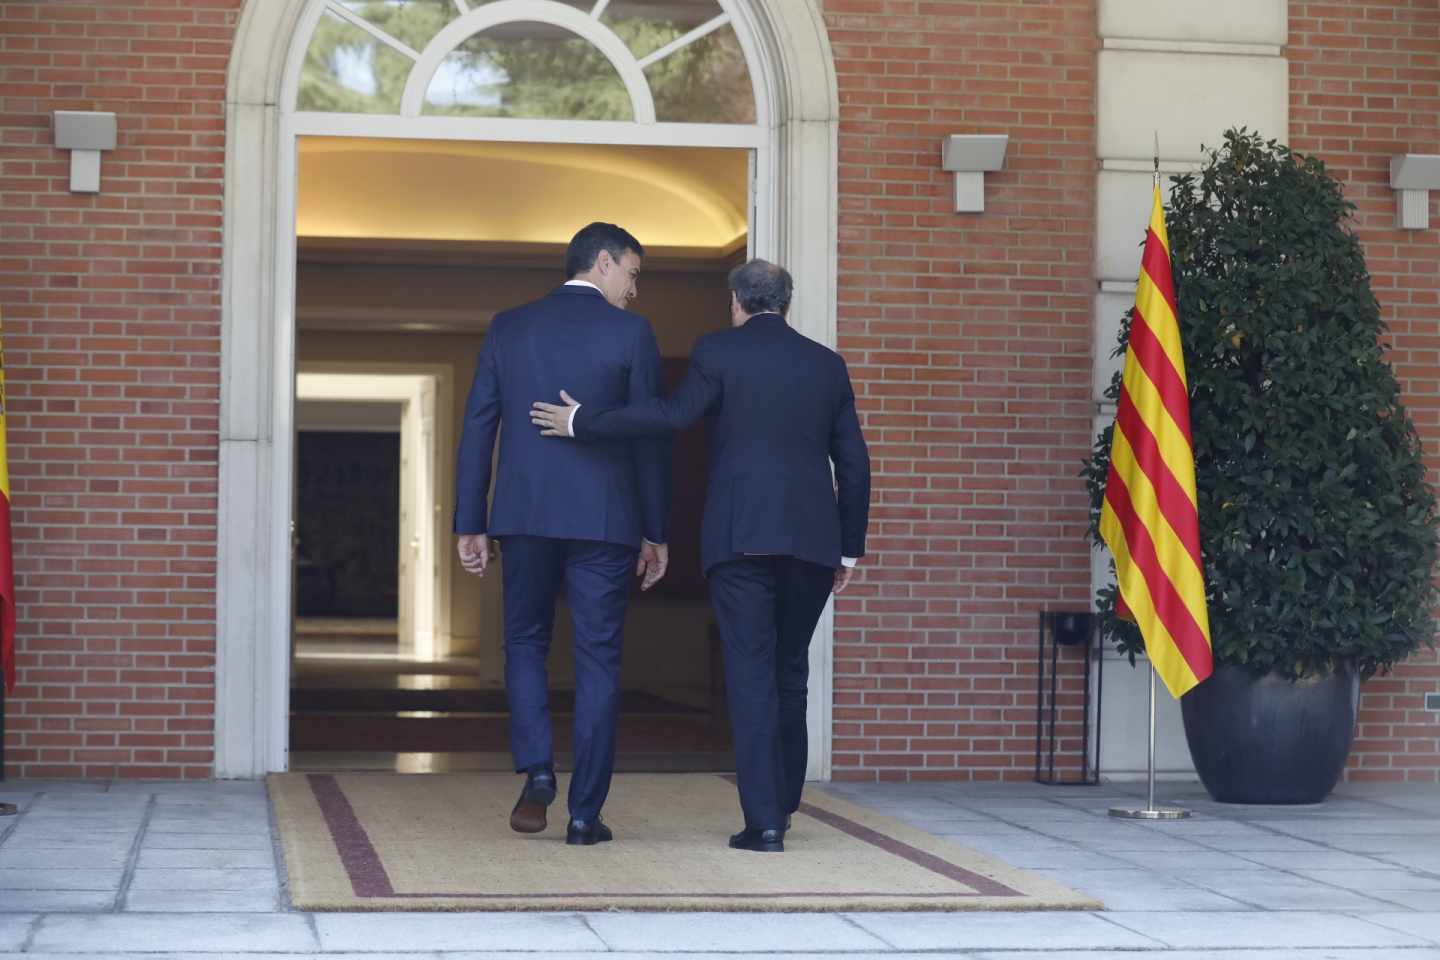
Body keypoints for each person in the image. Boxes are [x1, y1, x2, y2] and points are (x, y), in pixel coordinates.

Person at [530, 259, 870, 853]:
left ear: (737, 302)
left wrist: (585, 421)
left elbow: (671, 418)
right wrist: (848, 549)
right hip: (813, 543)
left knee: (750, 674)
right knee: (790, 667)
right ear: (784, 304)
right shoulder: (827, 364)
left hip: (738, 542)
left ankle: (765, 823)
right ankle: (785, 800)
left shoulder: (718, 352)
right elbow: (855, 464)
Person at [453, 222, 670, 846]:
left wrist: (472, 519)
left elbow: (479, 429)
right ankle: (583, 814)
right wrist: (656, 530)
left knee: (523, 643)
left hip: (522, 517)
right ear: (602, 262)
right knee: (598, 657)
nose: (633, 289)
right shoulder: (632, 332)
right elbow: (650, 436)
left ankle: (539, 771)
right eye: (631, 273)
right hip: (605, 522)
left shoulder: (509, 327)